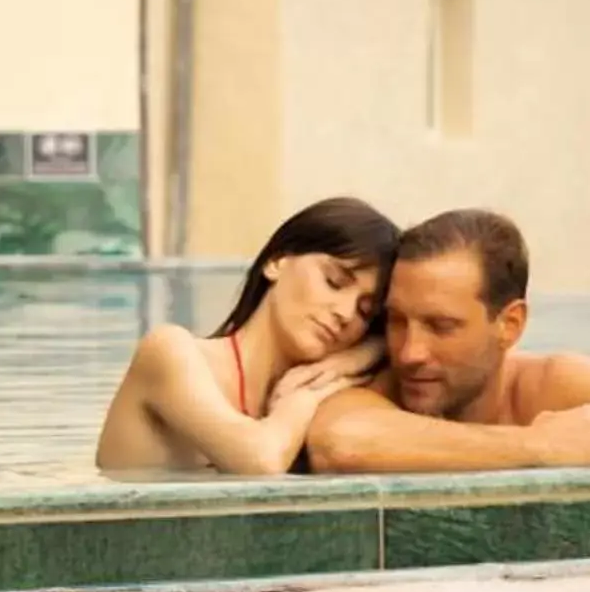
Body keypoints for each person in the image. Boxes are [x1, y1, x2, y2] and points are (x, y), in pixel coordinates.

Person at [304, 209, 590, 472]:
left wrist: (583, 445)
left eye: (441, 326)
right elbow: (342, 442)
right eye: (397, 321)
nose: (410, 352)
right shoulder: (371, 387)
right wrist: (539, 447)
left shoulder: (548, 385)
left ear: (509, 324)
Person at [94, 197, 397, 475]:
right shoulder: (171, 353)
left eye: (365, 312)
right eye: (334, 281)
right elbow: (260, 461)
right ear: (276, 262)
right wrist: (308, 395)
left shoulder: (342, 385)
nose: (345, 313)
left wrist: (360, 356)